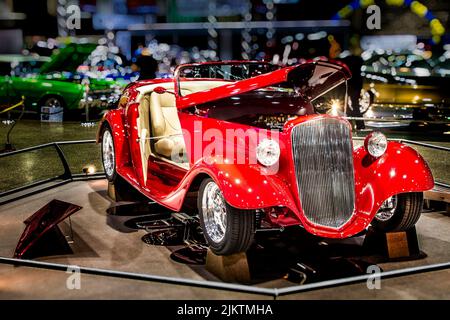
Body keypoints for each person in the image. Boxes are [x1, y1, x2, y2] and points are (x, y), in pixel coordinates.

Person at [330, 38, 365, 130]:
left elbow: (336, 60)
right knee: (352, 105)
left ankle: (354, 123)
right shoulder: (356, 59)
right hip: (353, 84)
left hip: (350, 85)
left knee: (347, 105)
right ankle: (358, 124)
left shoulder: (349, 59)